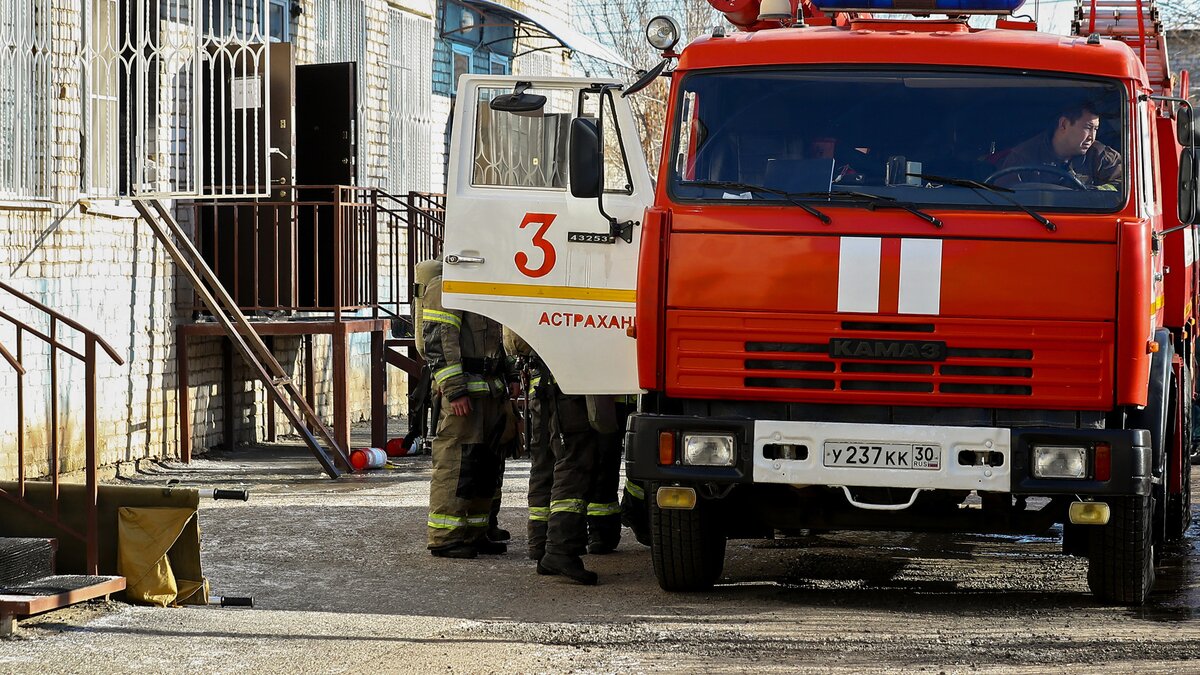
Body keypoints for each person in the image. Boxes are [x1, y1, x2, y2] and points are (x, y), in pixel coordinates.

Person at [422, 272, 519, 559]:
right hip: (463, 394)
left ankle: (476, 532)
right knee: (456, 464)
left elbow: (504, 333)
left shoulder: (487, 281)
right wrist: (455, 389)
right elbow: (439, 340)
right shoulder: (445, 284)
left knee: (486, 465)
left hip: (491, 390)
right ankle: (445, 537)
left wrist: (511, 373)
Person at [503, 327, 600, 585]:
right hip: (564, 387)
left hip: (543, 386)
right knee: (572, 464)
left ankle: (541, 544)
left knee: (545, 464)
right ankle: (560, 551)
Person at [998, 102, 1122, 191]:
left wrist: (1091, 194)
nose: (1092, 137)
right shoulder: (1022, 157)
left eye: (1095, 129)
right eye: (1088, 128)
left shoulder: (1101, 156)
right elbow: (1004, 199)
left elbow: (1125, 187)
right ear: (1064, 124)